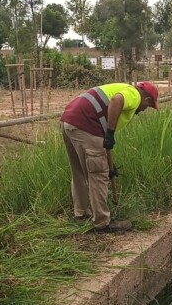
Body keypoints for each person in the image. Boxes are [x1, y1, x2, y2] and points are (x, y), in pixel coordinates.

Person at [59, 81, 159, 232]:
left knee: (79, 172)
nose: (144, 110)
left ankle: (81, 215)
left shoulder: (121, 87)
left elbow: (103, 140)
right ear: (147, 99)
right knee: (98, 175)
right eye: (148, 107)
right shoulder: (134, 94)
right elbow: (117, 100)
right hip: (86, 125)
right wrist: (110, 133)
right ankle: (102, 223)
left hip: (69, 122)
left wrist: (109, 165)